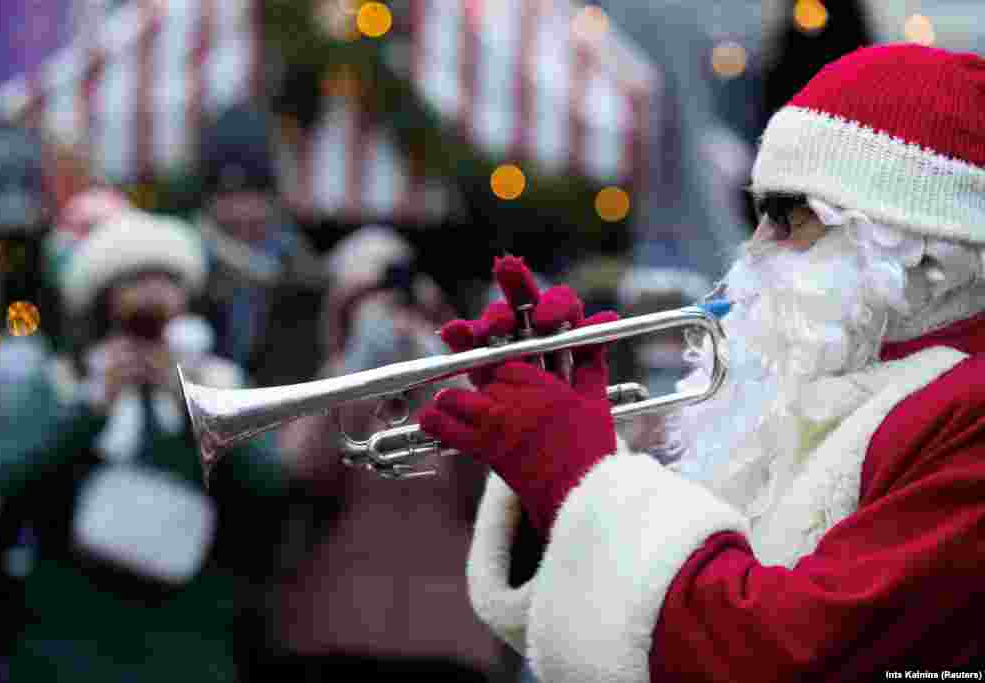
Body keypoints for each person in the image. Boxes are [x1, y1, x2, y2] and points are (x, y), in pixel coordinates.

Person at [418, 44, 985, 680]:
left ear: (924, 247)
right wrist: (552, 484)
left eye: (785, 216)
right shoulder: (823, 388)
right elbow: (651, 624)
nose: (752, 250)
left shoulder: (967, 410)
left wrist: (585, 472)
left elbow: (781, 653)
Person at [0, 204, 288, 682]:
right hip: (66, 653)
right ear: (103, 301)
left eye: (165, 283)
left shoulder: (217, 383)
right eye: (134, 283)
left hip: (187, 655)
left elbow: (269, 487)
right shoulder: (63, 384)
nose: (151, 297)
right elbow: (3, 483)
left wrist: (191, 408)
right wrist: (91, 406)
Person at [272, 226, 515, 681]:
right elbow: (298, 471)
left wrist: (442, 371)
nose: (395, 324)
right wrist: (351, 374)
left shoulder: (458, 389)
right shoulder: (322, 384)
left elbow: (498, 485)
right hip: (333, 632)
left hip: (447, 640)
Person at [194, 105, 327, 386]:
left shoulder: (304, 271)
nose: (241, 211)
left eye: (253, 195)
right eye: (227, 197)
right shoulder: (189, 268)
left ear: (272, 199)